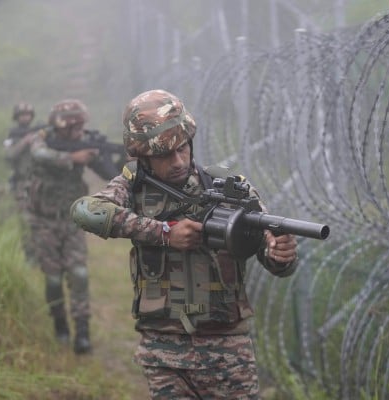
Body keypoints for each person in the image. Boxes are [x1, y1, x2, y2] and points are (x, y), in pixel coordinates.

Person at [70, 89, 299, 398]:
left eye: (182, 149)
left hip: (227, 348)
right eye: (164, 154)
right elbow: (86, 211)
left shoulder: (228, 187)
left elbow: (269, 250)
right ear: (142, 156)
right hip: (163, 348)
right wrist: (163, 232)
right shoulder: (133, 185)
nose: (177, 161)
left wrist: (280, 256)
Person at [27, 99, 106, 355]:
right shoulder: (43, 139)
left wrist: (123, 161)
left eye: (80, 125)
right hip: (44, 221)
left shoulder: (83, 142)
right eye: (73, 126)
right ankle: (60, 323)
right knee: (52, 278)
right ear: (60, 125)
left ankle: (82, 333)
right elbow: (38, 153)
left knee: (79, 275)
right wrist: (72, 157)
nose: (77, 131)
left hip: (72, 220)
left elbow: (108, 171)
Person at [4, 102, 43, 264]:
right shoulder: (12, 136)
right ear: (17, 117)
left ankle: (44, 255)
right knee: (26, 221)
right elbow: (9, 155)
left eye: (28, 114)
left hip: (40, 183)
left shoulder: (38, 133)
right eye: (22, 114)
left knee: (42, 219)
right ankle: (30, 256)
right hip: (22, 185)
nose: (25, 117)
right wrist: (24, 142)